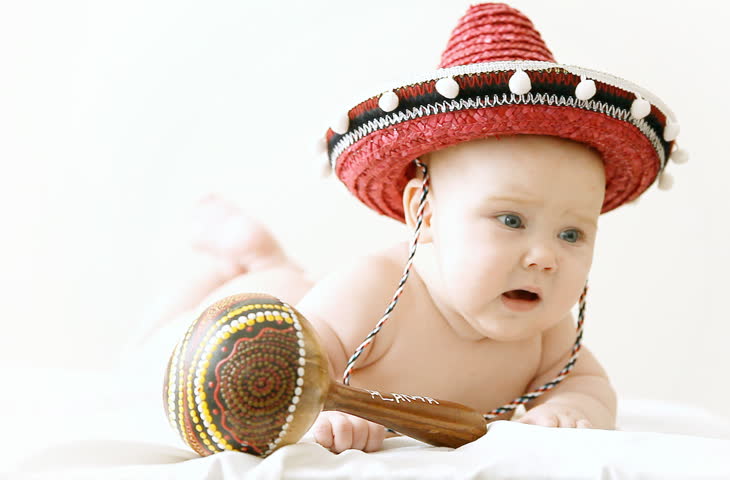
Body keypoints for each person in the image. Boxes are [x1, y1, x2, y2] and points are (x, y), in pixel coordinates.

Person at [144, 2, 686, 454]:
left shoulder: (547, 332)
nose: (545, 255)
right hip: (280, 313)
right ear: (423, 215)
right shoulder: (374, 293)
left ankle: (264, 258)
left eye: (572, 234)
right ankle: (250, 257)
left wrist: (571, 408)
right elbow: (296, 366)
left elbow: (589, 383)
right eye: (511, 220)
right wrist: (321, 413)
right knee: (250, 300)